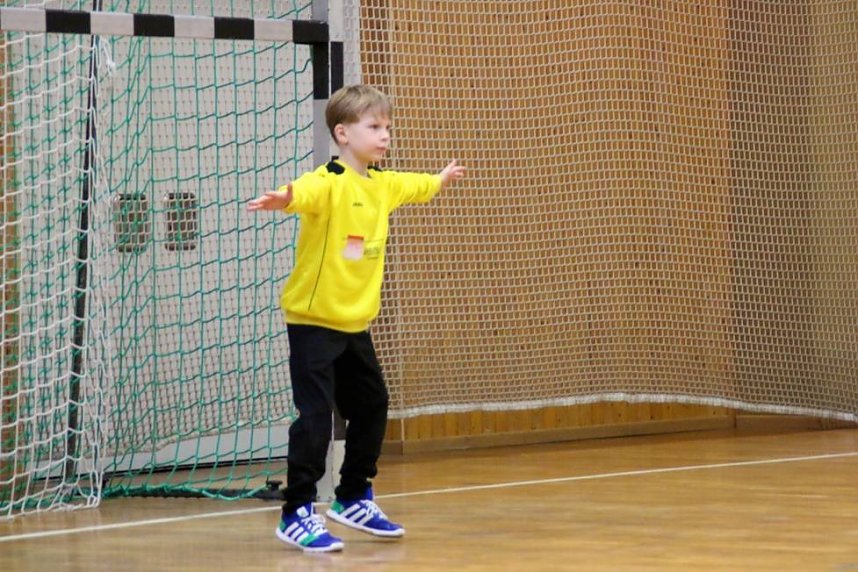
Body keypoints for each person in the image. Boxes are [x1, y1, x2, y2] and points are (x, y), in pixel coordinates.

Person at [248, 84, 466, 552]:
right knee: (315, 418)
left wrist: (440, 179)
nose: (385, 135)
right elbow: (304, 192)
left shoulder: (383, 184)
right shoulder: (328, 181)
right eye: (374, 127)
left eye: (387, 127)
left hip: (355, 325)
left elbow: (416, 185)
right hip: (313, 323)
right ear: (343, 133)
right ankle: (296, 511)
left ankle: (351, 497)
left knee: (371, 405)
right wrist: (284, 198)